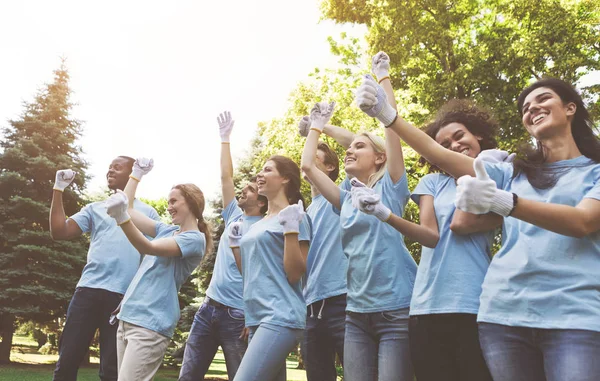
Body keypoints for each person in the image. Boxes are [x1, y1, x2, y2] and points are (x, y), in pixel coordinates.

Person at [356, 75, 600, 380]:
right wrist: (388, 116)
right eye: (526, 106)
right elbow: (439, 155)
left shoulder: (595, 171)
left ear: (570, 108)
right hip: (504, 316)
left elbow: (583, 221)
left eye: (543, 99)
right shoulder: (514, 172)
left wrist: (505, 202)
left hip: (574, 317)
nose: (532, 108)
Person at [301, 51, 416, 381]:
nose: (350, 150)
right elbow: (308, 166)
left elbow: (392, 129)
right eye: (350, 149)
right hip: (356, 314)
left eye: (359, 147)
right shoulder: (346, 198)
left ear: (379, 159)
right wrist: (316, 127)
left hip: (395, 309)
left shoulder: (392, 186)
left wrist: (383, 79)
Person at [407, 100, 510, 381]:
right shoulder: (432, 183)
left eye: (459, 136)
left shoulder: (498, 172)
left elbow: (461, 223)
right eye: (444, 144)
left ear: (477, 134)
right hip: (425, 303)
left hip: (473, 301)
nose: (453, 144)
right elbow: (444, 229)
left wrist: (482, 169)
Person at [49, 156, 159, 381]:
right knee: (67, 362)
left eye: (117, 167)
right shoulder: (95, 209)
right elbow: (59, 232)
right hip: (87, 293)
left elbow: (154, 256)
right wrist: (58, 189)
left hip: (121, 300)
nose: (110, 170)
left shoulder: (147, 214)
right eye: (109, 166)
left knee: (111, 370)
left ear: (132, 174)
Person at [178, 111, 267, 381]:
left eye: (250, 190)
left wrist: (254, 316)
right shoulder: (234, 216)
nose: (243, 190)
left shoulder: (266, 227)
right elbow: (226, 177)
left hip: (238, 316)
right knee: (187, 376)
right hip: (208, 309)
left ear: (261, 202)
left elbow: (264, 277)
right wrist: (225, 138)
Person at [104, 158, 211, 381]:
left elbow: (148, 247)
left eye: (174, 201)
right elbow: (130, 206)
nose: (169, 206)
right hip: (129, 318)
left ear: (191, 203)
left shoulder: (194, 239)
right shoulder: (166, 230)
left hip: (150, 324)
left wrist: (121, 217)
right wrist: (136, 174)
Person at [229, 155, 311, 381]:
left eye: (267, 170)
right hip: (257, 318)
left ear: (285, 178)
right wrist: (236, 246)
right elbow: (249, 273)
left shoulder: (296, 216)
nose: (259, 175)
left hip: (280, 315)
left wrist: (291, 229)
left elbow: (295, 274)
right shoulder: (260, 223)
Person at [297, 117, 353, 381]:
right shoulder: (304, 212)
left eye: (315, 156)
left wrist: (319, 127)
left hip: (342, 300)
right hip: (310, 307)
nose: (305, 160)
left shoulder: (342, 196)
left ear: (330, 167)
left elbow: (360, 145)